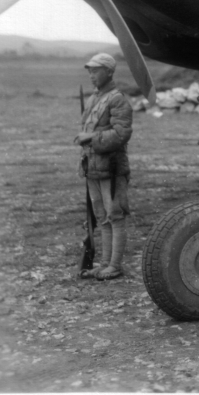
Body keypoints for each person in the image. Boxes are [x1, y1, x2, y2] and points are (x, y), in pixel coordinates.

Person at [75, 53, 133, 281]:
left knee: (115, 216)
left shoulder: (118, 99)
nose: (91, 75)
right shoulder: (93, 99)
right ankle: (106, 264)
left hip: (111, 168)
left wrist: (90, 137)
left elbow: (121, 135)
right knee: (102, 217)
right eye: (89, 70)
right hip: (93, 167)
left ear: (109, 72)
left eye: (96, 70)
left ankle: (115, 265)